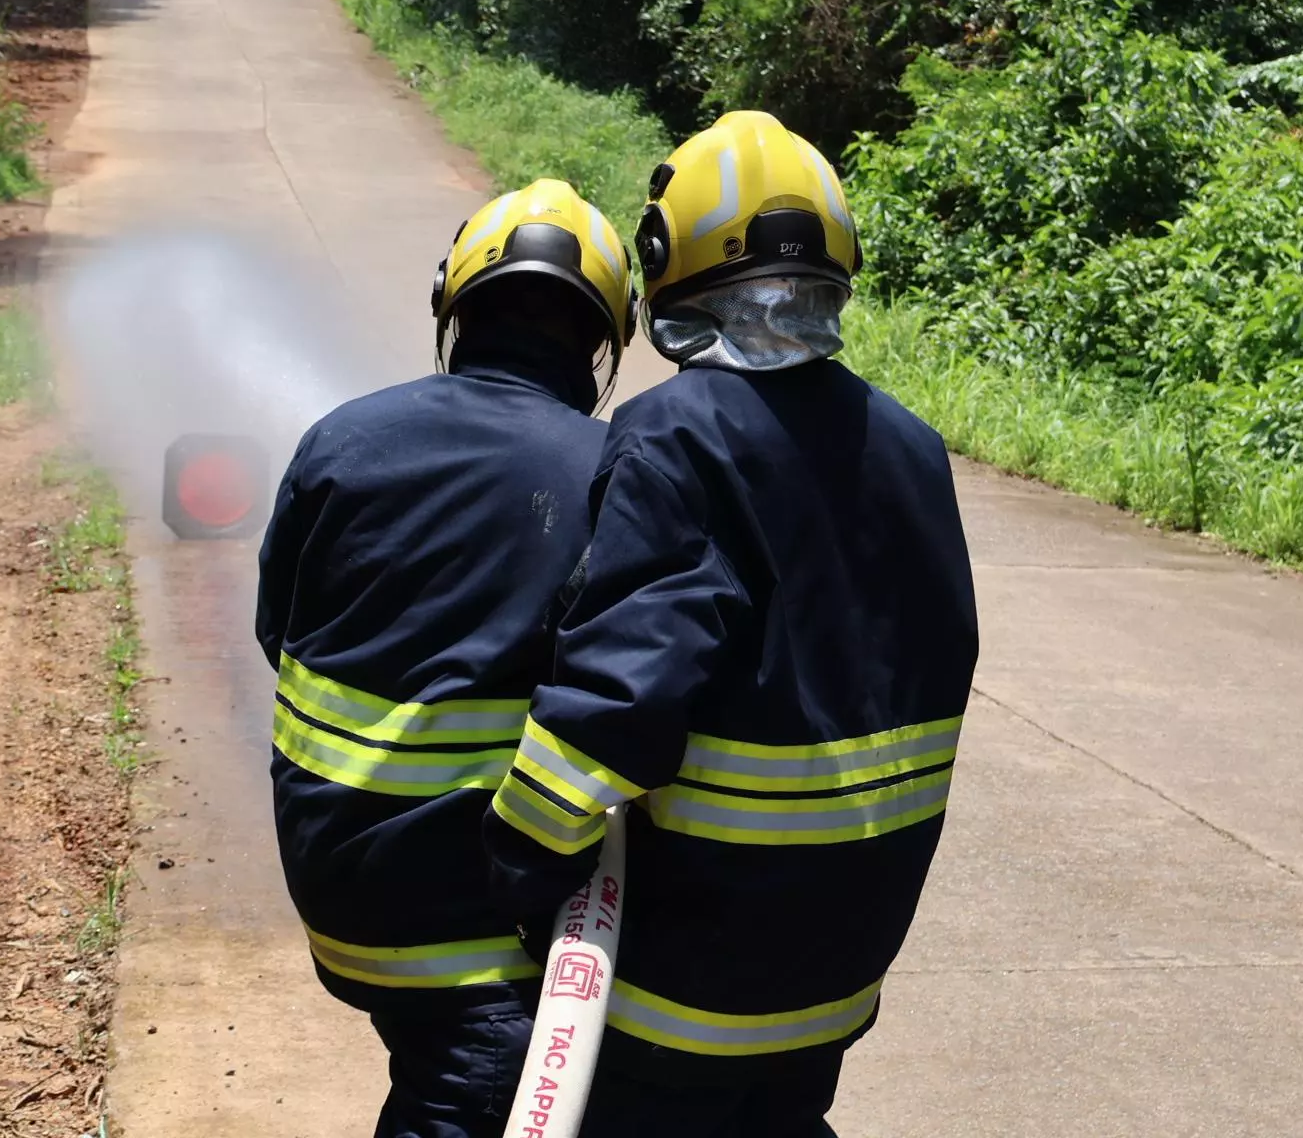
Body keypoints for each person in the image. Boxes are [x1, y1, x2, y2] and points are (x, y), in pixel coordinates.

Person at [484, 111, 978, 1136]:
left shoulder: (675, 436)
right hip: (841, 961)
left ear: (666, 261)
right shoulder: (914, 449)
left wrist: (519, 857)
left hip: (692, 973)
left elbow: (625, 691)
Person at [256, 179, 637, 1138]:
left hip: (332, 877)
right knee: (480, 1084)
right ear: (601, 345)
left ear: (454, 310)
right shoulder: (610, 473)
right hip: (469, 921)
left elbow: (277, 630)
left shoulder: (339, 438)